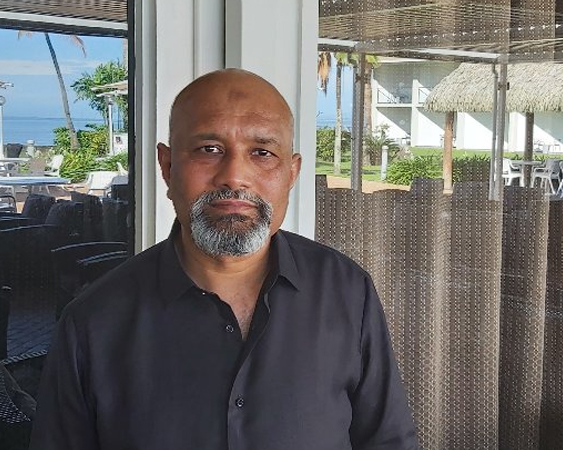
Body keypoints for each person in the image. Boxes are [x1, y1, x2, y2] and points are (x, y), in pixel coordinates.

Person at [30, 69, 418, 449]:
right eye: (209, 150)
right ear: (167, 167)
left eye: (262, 153)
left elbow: (389, 440)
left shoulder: (347, 291)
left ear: (292, 173)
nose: (234, 176)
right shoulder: (93, 324)